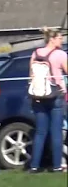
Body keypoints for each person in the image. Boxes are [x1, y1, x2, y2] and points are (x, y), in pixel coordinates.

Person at [28, 27, 67, 173]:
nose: (61, 40)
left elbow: (31, 74)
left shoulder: (36, 53)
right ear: (52, 39)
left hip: (38, 95)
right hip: (56, 95)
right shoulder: (60, 54)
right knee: (56, 131)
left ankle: (34, 166)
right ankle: (56, 166)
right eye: (59, 38)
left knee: (40, 132)